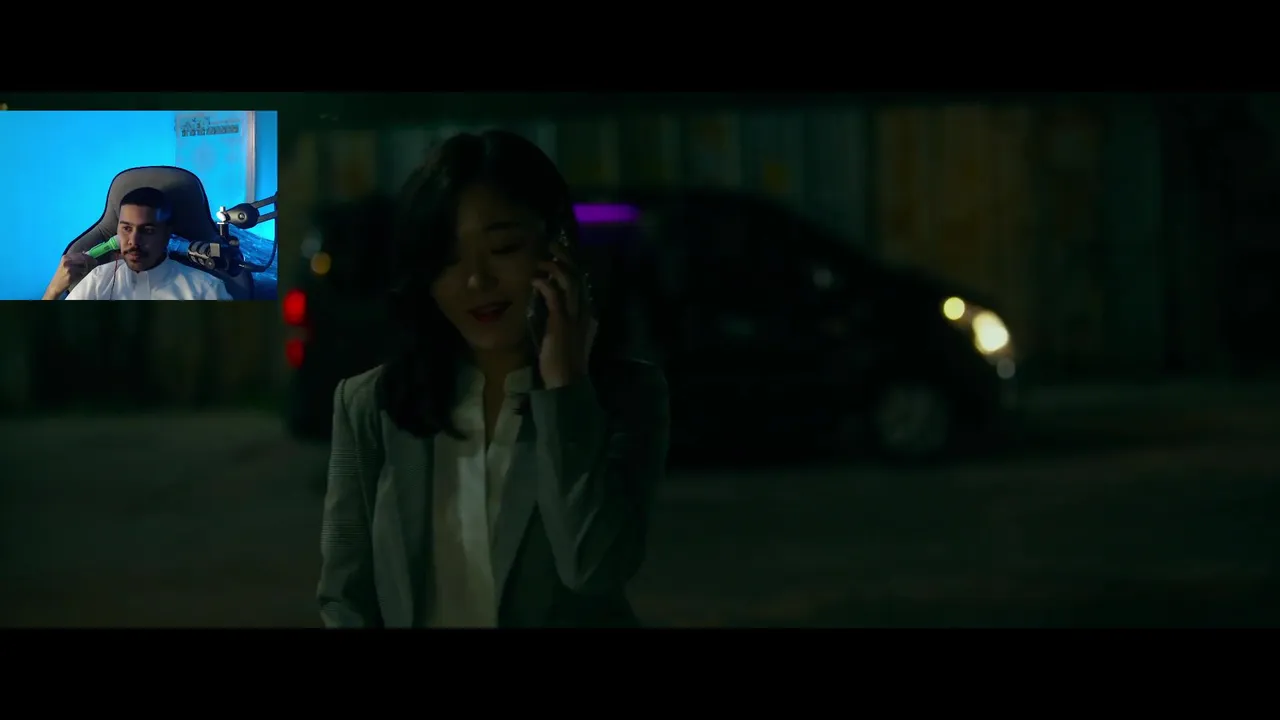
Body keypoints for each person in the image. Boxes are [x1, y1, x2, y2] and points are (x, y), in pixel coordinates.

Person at [317, 130, 669, 628]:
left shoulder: (624, 396)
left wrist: (564, 385)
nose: (476, 281)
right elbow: (345, 597)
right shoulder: (372, 404)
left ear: (557, 246)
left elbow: (593, 568)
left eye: (503, 247)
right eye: (448, 259)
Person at [43, 187, 233, 301]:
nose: (133, 241)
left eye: (147, 230)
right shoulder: (98, 280)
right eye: (126, 228)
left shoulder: (206, 290)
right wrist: (53, 290)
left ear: (167, 233)